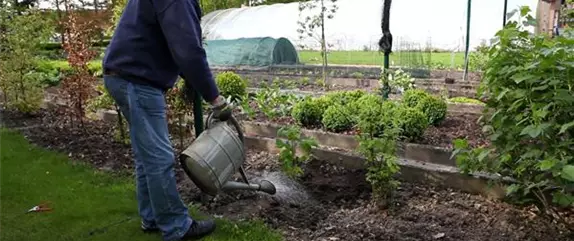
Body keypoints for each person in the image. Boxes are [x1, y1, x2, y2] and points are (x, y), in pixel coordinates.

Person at [101, 0, 231, 240]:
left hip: (125, 77)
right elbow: (187, 49)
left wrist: (193, 79)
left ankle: (151, 217)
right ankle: (176, 226)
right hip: (137, 81)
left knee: (147, 156)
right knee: (159, 157)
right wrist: (215, 98)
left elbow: (172, 42)